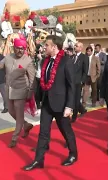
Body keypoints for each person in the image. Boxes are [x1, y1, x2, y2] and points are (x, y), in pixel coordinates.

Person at [23, 34, 77, 171]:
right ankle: (38, 160)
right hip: (47, 103)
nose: (44, 47)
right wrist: (37, 101)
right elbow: (42, 83)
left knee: (66, 131)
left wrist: (69, 106)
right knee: (43, 132)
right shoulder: (44, 61)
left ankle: (73, 154)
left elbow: (72, 86)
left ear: (54, 47)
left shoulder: (66, 61)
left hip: (61, 104)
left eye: (46, 45)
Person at [0, 37, 35, 148]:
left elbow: (32, 78)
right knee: (10, 111)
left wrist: (30, 91)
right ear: (14, 48)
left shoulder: (28, 61)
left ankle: (14, 137)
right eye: (18, 48)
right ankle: (25, 124)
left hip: (21, 90)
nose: (20, 51)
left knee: (18, 113)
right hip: (9, 89)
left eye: (22, 49)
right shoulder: (7, 58)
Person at [71, 42, 87, 122]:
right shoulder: (72, 57)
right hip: (71, 81)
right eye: (75, 45)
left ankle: (74, 116)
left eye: (76, 46)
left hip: (78, 82)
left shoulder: (84, 57)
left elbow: (85, 71)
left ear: (81, 48)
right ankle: (82, 110)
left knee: (76, 99)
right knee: (72, 99)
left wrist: (82, 81)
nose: (75, 47)